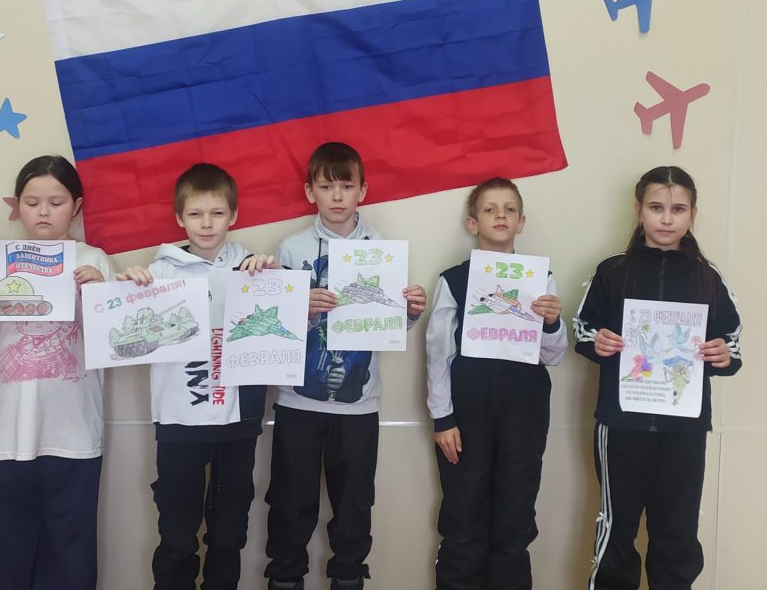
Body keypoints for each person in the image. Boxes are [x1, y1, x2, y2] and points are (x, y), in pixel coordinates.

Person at [0, 155, 113, 590]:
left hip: (73, 436)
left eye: (56, 202)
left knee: (71, 559)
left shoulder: (94, 260)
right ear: (17, 207)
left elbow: (111, 343)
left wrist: (98, 295)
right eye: (32, 202)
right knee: (4, 560)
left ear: (77, 206)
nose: (43, 211)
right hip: (4, 435)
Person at [264, 142, 427, 590]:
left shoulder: (382, 249)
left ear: (362, 191)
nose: (336, 196)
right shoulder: (292, 248)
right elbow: (272, 325)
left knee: (354, 507)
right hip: (297, 401)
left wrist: (411, 311)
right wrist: (300, 307)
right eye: (326, 186)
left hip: (359, 405)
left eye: (346, 186)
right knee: (290, 503)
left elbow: (388, 324)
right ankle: (285, 579)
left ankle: (349, 578)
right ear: (309, 192)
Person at [574, 165, 742, 590]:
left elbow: (732, 345)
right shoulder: (612, 271)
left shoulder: (708, 277)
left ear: (693, 214)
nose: (667, 219)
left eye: (678, 209)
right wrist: (599, 341)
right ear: (638, 211)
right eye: (656, 207)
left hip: (684, 426)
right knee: (617, 527)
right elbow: (583, 330)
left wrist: (722, 354)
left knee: (677, 531)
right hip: (622, 423)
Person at [119, 163, 276, 590]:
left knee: (229, 534)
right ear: (179, 218)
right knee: (177, 535)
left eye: (217, 213)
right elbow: (122, 327)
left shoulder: (253, 268)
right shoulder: (160, 273)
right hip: (179, 421)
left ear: (233, 216)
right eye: (195, 214)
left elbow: (283, 320)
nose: (207, 223)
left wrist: (275, 278)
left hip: (238, 419)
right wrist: (128, 288)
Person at [425, 177, 565, 590]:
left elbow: (553, 356)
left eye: (509, 209)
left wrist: (552, 322)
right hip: (467, 417)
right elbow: (437, 352)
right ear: (473, 223)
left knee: (515, 517)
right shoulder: (453, 279)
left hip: (525, 415)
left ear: (521, 222)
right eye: (490, 209)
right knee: (463, 515)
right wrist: (442, 418)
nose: (500, 215)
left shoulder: (541, 279)